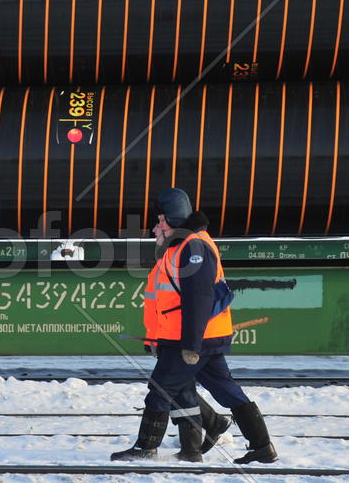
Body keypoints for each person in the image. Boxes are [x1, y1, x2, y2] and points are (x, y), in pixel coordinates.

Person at [112, 187, 278, 464]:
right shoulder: (184, 245)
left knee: (161, 390)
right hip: (201, 337)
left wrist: (191, 344)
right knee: (227, 391)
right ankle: (262, 446)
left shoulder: (194, 246)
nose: (156, 227)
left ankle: (146, 448)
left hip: (190, 340)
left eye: (160, 220)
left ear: (171, 220)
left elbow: (198, 298)